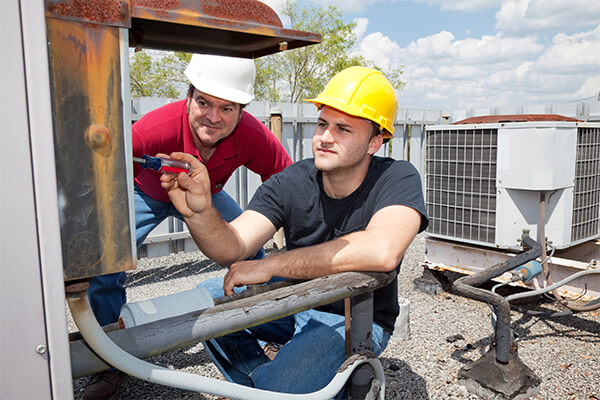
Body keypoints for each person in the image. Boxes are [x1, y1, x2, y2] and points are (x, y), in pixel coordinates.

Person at [160, 66, 429, 397]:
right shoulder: (293, 180)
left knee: (281, 387)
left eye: (343, 129)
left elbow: (382, 250)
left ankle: (280, 387)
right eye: (322, 124)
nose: (325, 138)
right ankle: (266, 383)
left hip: (355, 316)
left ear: (375, 141)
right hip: (297, 302)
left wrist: (269, 265)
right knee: (205, 302)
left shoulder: (397, 177)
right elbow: (232, 246)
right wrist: (200, 212)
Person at [83, 54, 292, 399]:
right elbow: (106, 180)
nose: (213, 117)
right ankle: (110, 358)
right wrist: (97, 238)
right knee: (104, 261)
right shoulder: (154, 128)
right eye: (204, 103)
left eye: (227, 108)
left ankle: (270, 327)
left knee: (253, 256)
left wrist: (290, 234)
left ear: (242, 109)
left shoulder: (253, 135)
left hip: (206, 197)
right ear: (189, 96)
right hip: (148, 191)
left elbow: (286, 182)